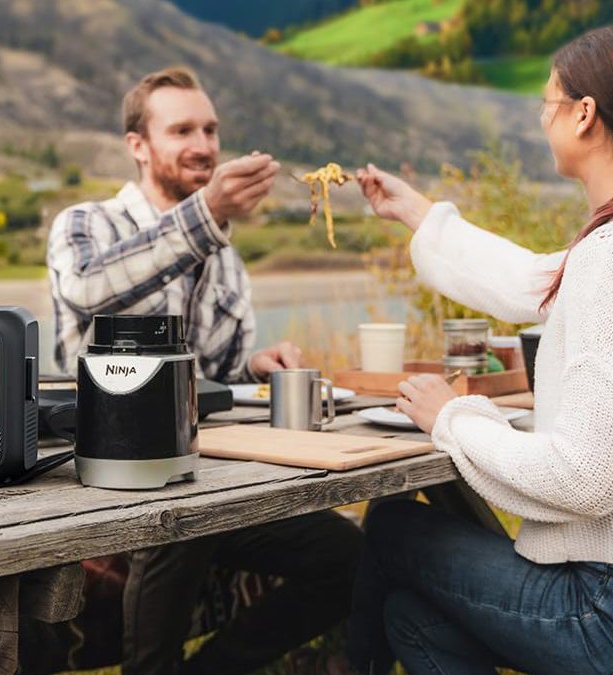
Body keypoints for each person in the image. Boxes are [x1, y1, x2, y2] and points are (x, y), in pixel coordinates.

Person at [334, 26, 613, 675]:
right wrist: (422, 215)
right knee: (414, 621)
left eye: (549, 103)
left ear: (585, 115)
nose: (543, 118)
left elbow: (585, 479)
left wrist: (452, 417)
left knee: (395, 528)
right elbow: (540, 279)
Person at [47, 66, 363, 675]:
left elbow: (215, 379)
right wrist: (204, 217)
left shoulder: (229, 261)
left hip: (201, 471)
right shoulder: (86, 225)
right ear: (138, 145)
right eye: (182, 129)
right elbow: (89, 291)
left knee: (346, 555)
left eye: (211, 129)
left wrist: (254, 366)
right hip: (99, 472)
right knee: (181, 519)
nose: (203, 144)